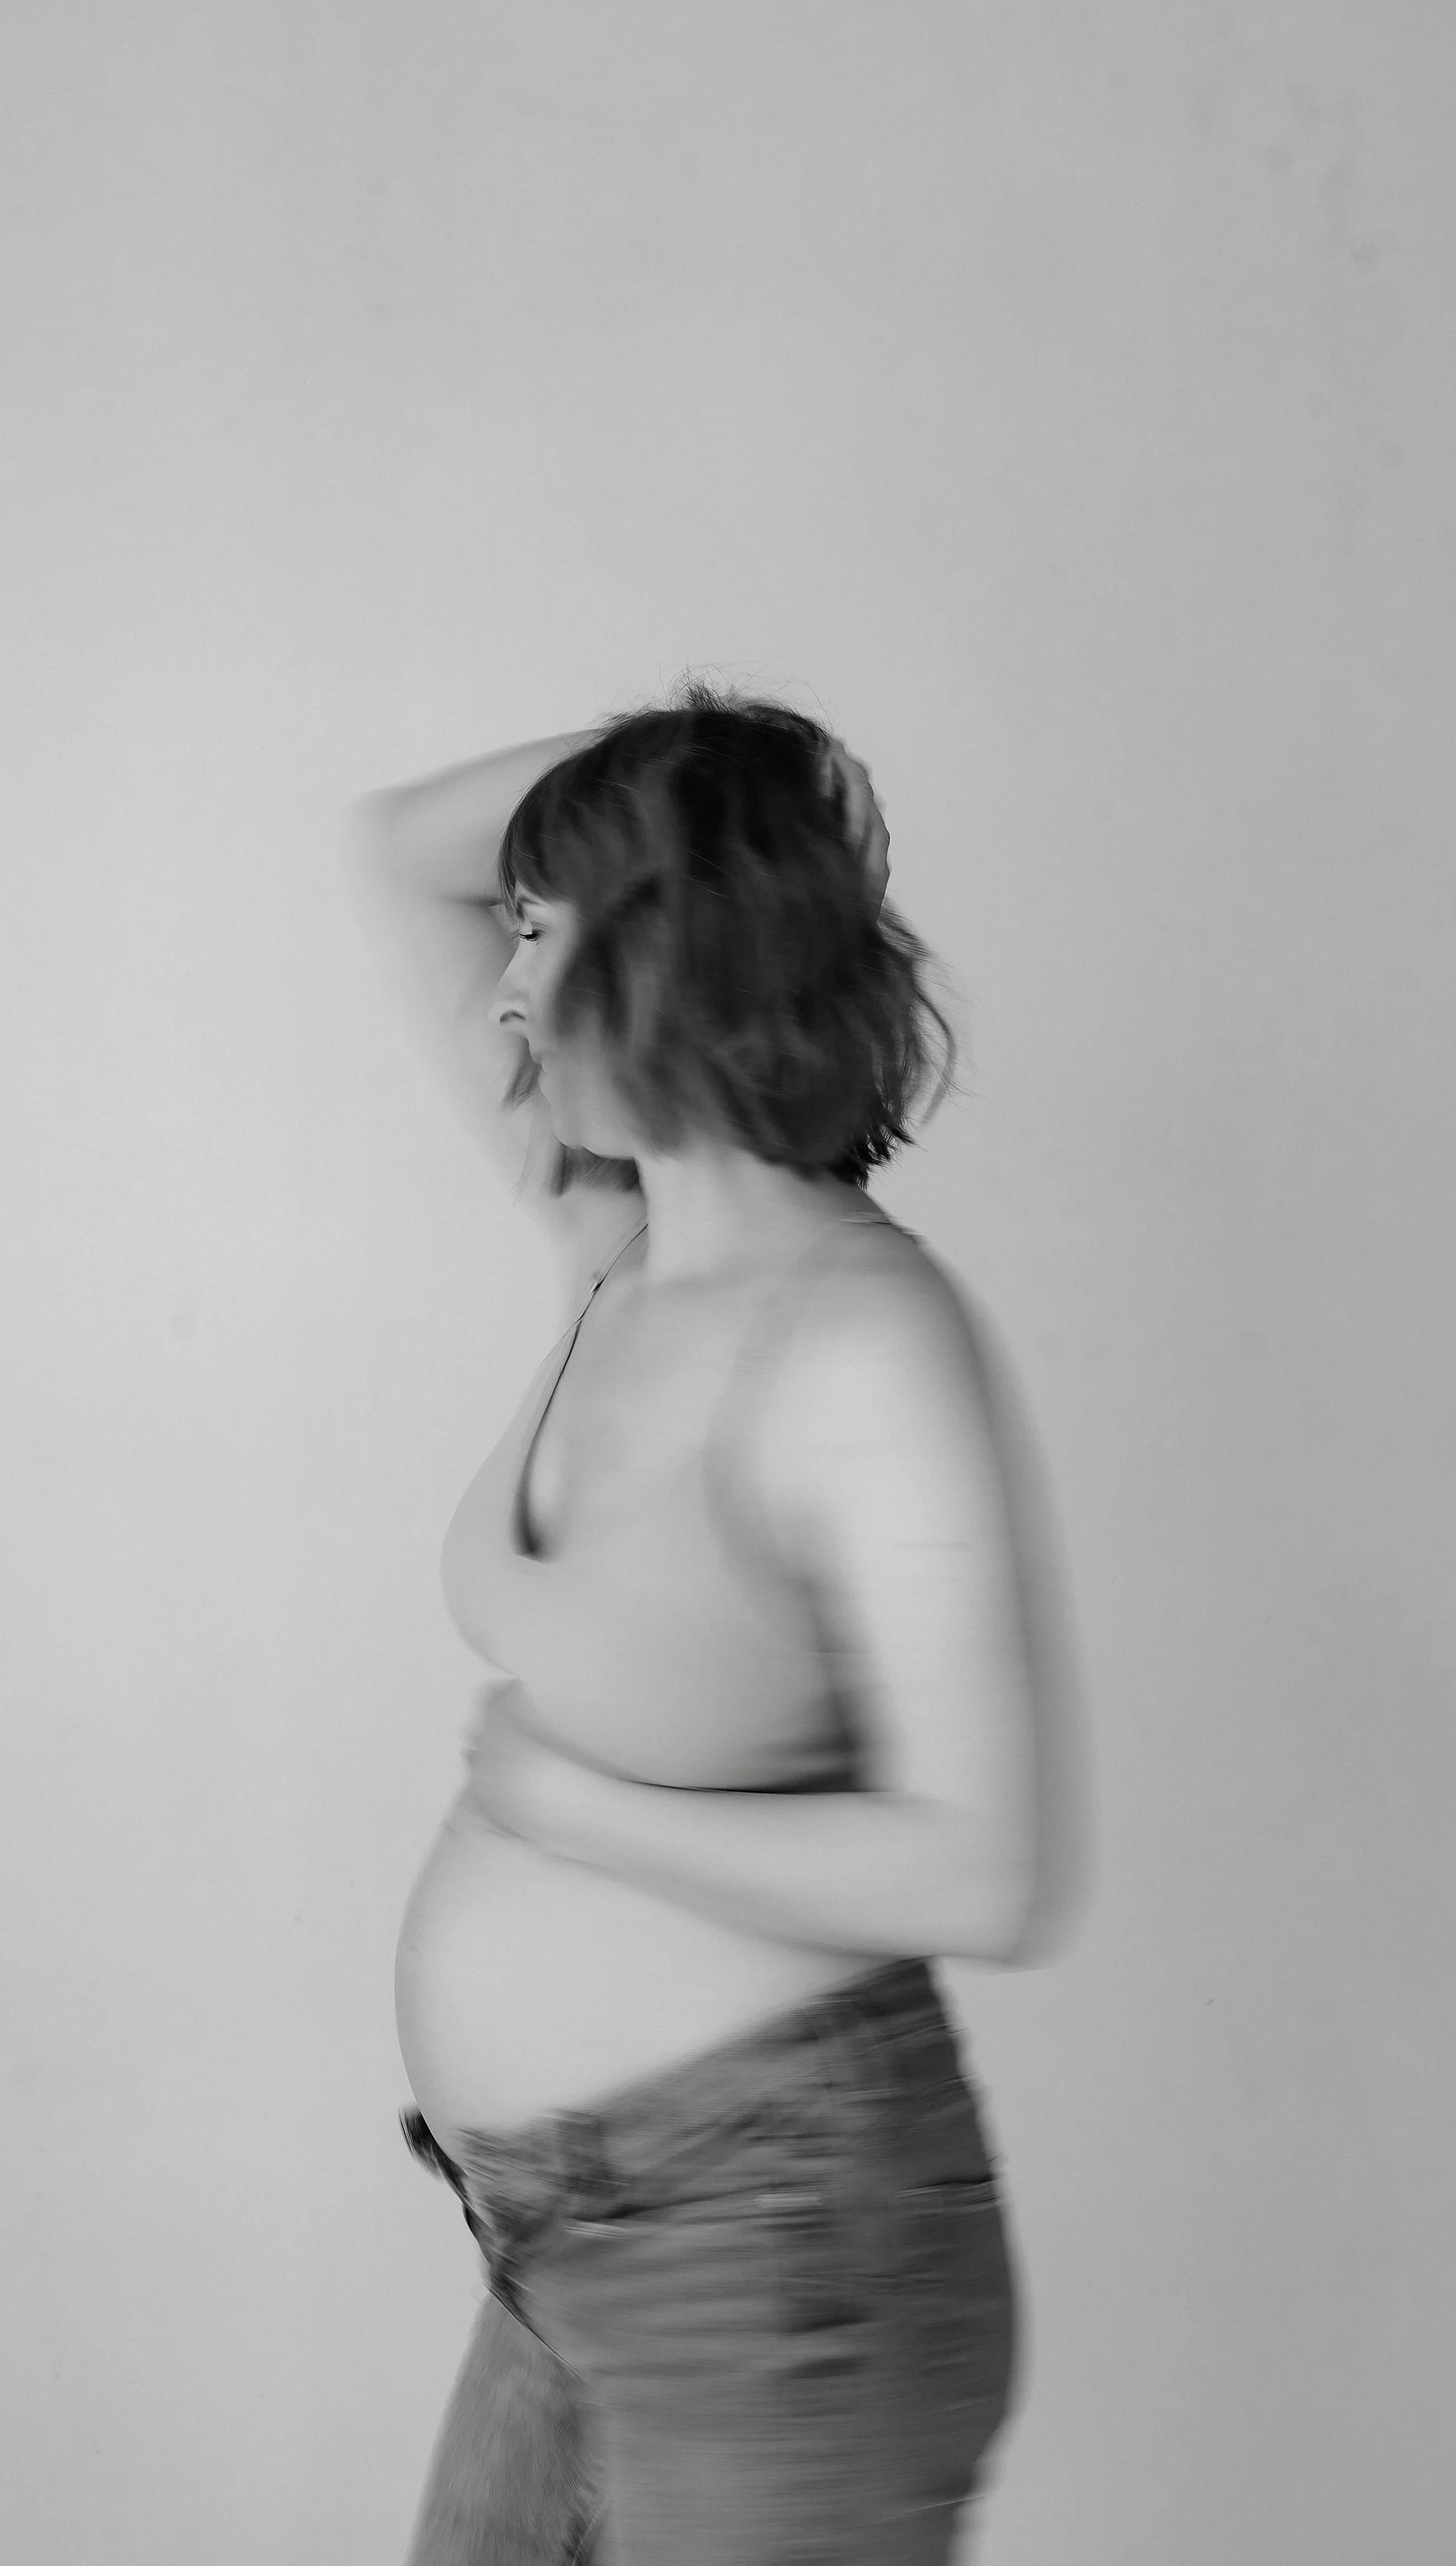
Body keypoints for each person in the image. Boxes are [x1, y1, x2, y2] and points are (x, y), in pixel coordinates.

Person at [347, 684, 1079, 2564]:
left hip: (784, 2260)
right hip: (562, 2245)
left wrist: (575, 1812)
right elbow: (400, 849)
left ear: (670, 940)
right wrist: (706, 782)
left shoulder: (861, 1345)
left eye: (542, 935)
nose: (504, 992)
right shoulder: (616, 1241)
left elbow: (991, 1871)